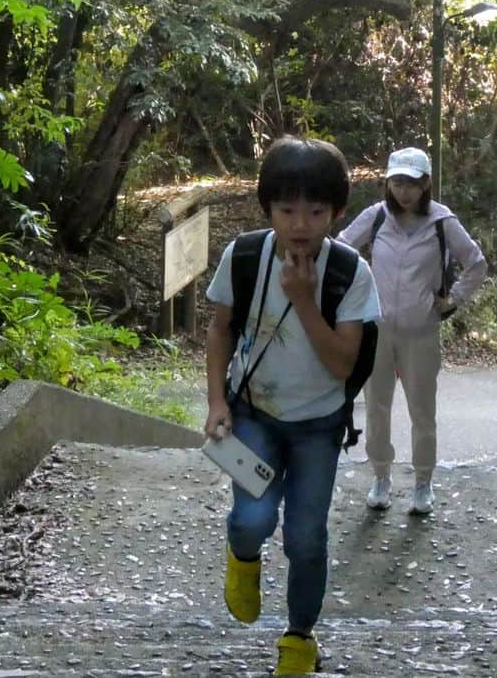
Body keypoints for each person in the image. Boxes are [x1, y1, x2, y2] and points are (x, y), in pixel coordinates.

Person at [203, 136, 381, 676]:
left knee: (306, 537)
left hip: (318, 427)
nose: (300, 223)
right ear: (268, 209)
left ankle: (299, 636)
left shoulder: (350, 274)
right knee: (253, 518)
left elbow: (343, 365)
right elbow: (219, 330)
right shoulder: (246, 255)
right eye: (286, 209)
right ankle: (243, 553)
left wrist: (304, 299)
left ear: (337, 212)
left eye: (315, 210)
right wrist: (216, 401)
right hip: (254, 413)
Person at [338, 146, 487, 515]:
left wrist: (452, 300)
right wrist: (355, 291)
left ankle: (423, 482)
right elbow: (340, 248)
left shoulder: (441, 221)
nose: (403, 191)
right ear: (388, 183)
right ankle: (381, 477)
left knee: (422, 410)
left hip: (421, 332)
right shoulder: (377, 217)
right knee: (376, 407)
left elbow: (476, 263)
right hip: (377, 330)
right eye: (397, 182)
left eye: (412, 183)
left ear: (426, 185)